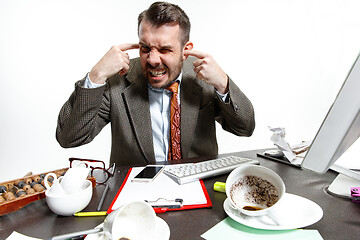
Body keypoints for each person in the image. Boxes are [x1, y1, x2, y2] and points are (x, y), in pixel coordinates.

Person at [56, 1, 255, 166]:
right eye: (145, 48)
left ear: (186, 50)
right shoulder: (116, 81)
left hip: (197, 186)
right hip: (135, 194)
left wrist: (223, 83)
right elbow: (69, 138)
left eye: (165, 50)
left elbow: (244, 128)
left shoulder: (202, 77)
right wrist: (96, 76)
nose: (152, 59)